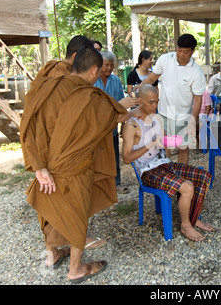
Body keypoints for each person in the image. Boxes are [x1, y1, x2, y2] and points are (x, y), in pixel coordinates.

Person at [20, 46, 141, 283]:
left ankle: (53, 254)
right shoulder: (88, 97)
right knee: (77, 213)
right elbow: (115, 116)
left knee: (52, 209)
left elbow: (29, 124)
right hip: (73, 167)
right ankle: (76, 269)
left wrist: (38, 166)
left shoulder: (47, 86)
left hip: (46, 164)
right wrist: (130, 109)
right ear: (94, 70)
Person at [121, 85, 214, 242]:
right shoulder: (132, 125)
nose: (155, 106)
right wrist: (150, 144)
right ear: (140, 101)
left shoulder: (157, 119)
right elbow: (126, 158)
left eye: (157, 102)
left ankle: (193, 217)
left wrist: (178, 140)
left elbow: (163, 144)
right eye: (150, 102)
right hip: (148, 171)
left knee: (204, 176)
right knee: (187, 186)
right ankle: (186, 225)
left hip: (164, 164)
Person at [139, 34, 206, 165]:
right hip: (164, 112)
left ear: (192, 51)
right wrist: (139, 89)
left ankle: (182, 176)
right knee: (165, 145)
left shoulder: (196, 72)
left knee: (183, 148)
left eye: (186, 52)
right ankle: (167, 174)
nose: (181, 54)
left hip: (183, 116)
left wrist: (193, 119)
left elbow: (198, 99)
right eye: (179, 50)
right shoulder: (165, 59)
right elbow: (151, 78)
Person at [93, 51, 131, 186]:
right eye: (106, 65)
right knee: (98, 157)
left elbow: (122, 104)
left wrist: (124, 124)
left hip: (113, 126)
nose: (109, 68)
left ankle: (116, 182)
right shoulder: (93, 80)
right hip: (96, 127)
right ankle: (100, 182)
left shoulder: (115, 80)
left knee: (114, 155)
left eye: (111, 65)